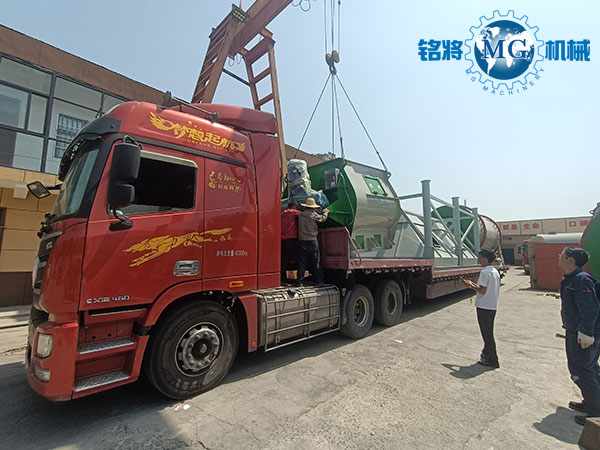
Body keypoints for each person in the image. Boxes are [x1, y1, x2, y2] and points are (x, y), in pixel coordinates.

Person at [558, 247, 600, 426]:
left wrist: (586, 332)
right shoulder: (572, 278)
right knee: (590, 368)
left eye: (562, 256)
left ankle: (595, 413)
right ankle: (592, 401)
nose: (559, 258)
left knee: (581, 370)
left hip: (582, 334)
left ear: (571, 260)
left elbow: (590, 309)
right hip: (576, 331)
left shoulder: (581, 280)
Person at [462, 249, 501, 368]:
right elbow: (483, 287)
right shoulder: (494, 271)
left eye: (480, 257)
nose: (478, 259)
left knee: (487, 334)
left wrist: (470, 286)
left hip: (483, 306)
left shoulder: (484, 272)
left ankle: (492, 359)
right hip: (492, 306)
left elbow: (482, 290)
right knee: (488, 332)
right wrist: (472, 284)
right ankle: (486, 354)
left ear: (485, 258)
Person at [296, 197, 329, 286]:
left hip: (302, 241)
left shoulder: (300, 215)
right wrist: (326, 212)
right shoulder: (313, 215)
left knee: (302, 262)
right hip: (311, 241)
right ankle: (319, 281)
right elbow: (322, 219)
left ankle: (299, 281)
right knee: (315, 262)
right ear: (313, 208)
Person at [281, 200, 300, 282]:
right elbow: (305, 216)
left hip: (282, 238)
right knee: (288, 259)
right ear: (295, 206)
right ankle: (283, 279)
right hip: (291, 238)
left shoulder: (282, 214)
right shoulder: (295, 213)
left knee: (283, 258)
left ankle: (282, 277)